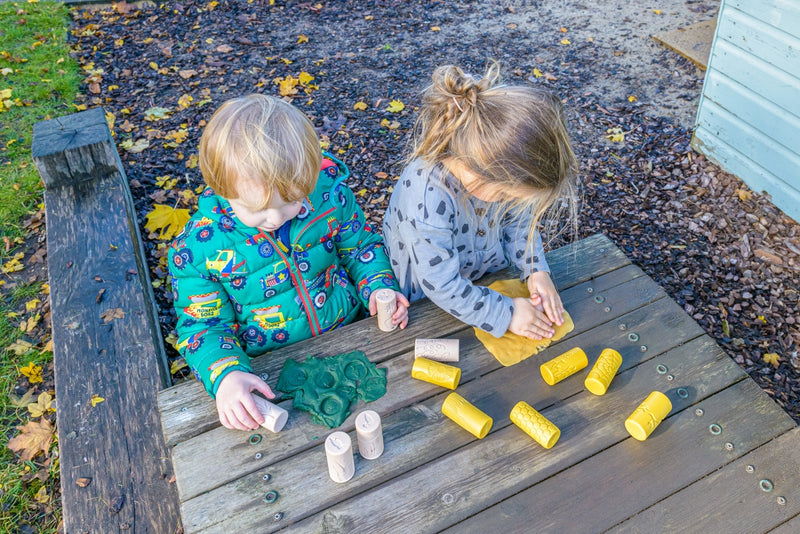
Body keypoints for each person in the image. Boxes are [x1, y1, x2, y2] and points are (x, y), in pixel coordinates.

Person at [169, 94, 409, 431]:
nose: (276, 218)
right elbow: (202, 326)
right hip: (272, 369)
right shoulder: (199, 252)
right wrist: (226, 374)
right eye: (257, 209)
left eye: (293, 201)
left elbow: (360, 247)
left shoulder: (328, 196)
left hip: (349, 332)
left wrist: (378, 284)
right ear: (221, 189)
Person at [382, 63, 577, 342]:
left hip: (480, 277)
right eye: (508, 197)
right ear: (484, 176)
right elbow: (441, 284)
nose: (510, 203)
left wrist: (535, 269)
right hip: (429, 303)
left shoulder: (493, 166)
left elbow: (519, 222)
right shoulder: (425, 199)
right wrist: (505, 313)